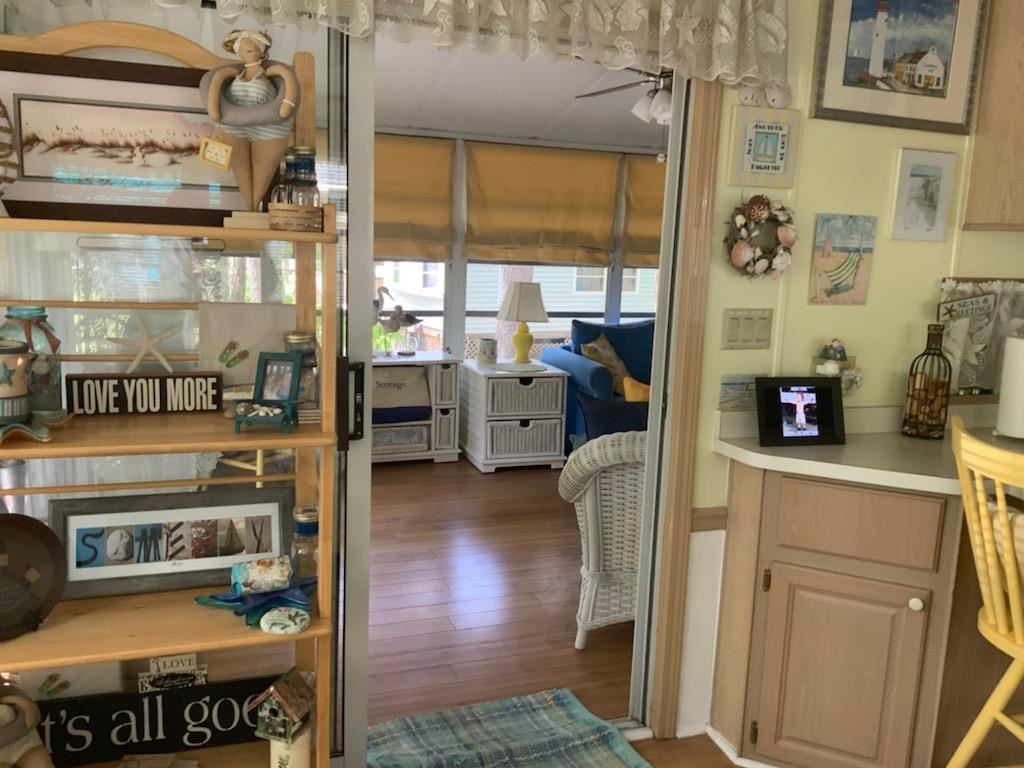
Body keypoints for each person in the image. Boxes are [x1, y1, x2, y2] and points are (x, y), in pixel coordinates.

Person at [204, 30, 298, 210]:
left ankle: (254, 208)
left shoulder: (270, 73)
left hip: (269, 128)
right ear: (237, 50)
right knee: (242, 174)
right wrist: (215, 107)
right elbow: (215, 95)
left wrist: (285, 99)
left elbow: (288, 84)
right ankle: (251, 209)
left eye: (254, 42)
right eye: (244, 42)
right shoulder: (231, 74)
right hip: (235, 126)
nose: (249, 45)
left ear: (262, 50)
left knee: (262, 174)